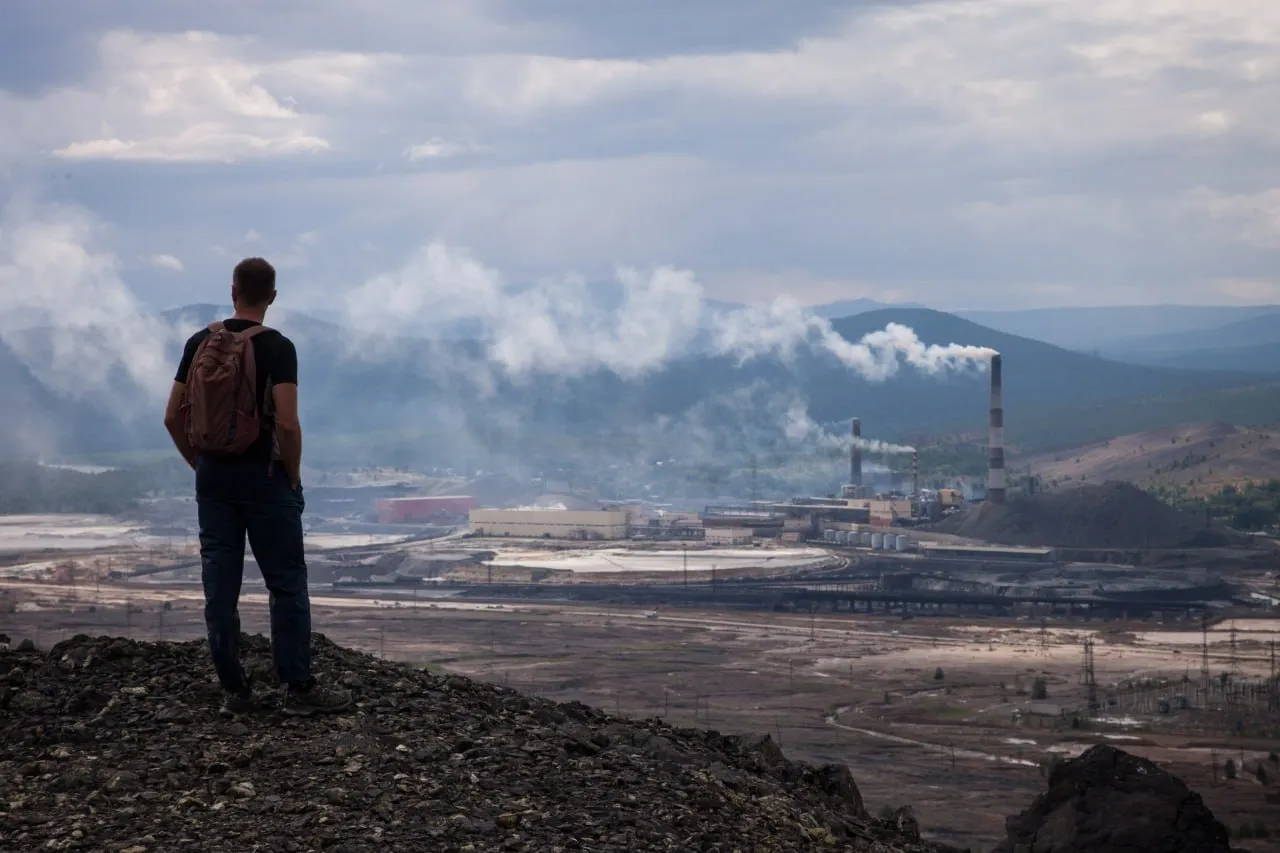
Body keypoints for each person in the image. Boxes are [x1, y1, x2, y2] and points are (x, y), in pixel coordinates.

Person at [164, 257, 352, 717]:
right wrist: (293, 473)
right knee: (286, 584)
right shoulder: (278, 347)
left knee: (220, 587)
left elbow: (171, 417)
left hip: (213, 478)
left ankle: (236, 692)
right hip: (266, 478)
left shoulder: (198, 342)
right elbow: (287, 423)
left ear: (232, 292)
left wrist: (199, 463)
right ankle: (298, 689)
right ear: (273, 296)